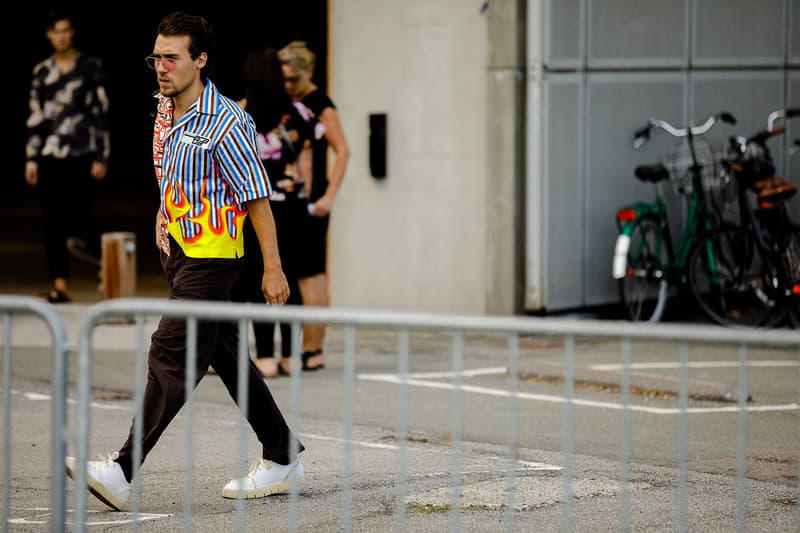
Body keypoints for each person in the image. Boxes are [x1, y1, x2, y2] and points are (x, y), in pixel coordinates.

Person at [65, 12, 304, 511]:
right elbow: (173, 171)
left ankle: (123, 470)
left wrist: (274, 268)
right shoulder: (165, 107)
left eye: (172, 57)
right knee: (229, 357)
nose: (160, 66)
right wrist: (162, 210)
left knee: (170, 352)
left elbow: (256, 196)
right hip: (178, 250)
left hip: (213, 258)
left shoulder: (226, 121)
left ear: (200, 60)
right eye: (156, 56)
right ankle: (282, 454)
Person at [230, 47, 315, 378]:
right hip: (292, 206)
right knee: (290, 278)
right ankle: (291, 356)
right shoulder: (298, 113)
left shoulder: (240, 114)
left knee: (258, 280)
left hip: (255, 207)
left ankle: (264, 356)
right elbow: (305, 164)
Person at [25, 8, 110, 303]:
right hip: (49, 153)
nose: (60, 36)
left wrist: (101, 156)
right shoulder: (42, 71)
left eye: (65, 30)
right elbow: (36, 117)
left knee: (84, 215)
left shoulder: (90, 67)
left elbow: (100, 113)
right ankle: (59, 285)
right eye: (55, 31)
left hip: (81, 152)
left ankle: (107, 269)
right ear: (49, 35)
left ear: (72, 32)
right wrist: (31, 158)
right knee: (52, 221)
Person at [278, 41, 350, 371]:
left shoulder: (320, 104)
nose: (289, 85)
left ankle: (312, 348)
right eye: (285, 79)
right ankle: (311, 349)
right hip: (301, 200)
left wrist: (328, 197)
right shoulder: (294, 103)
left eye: (294, 79)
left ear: (309, 72)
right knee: (306, 273)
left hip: (314, 201)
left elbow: (343, 151)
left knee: (312, 276)